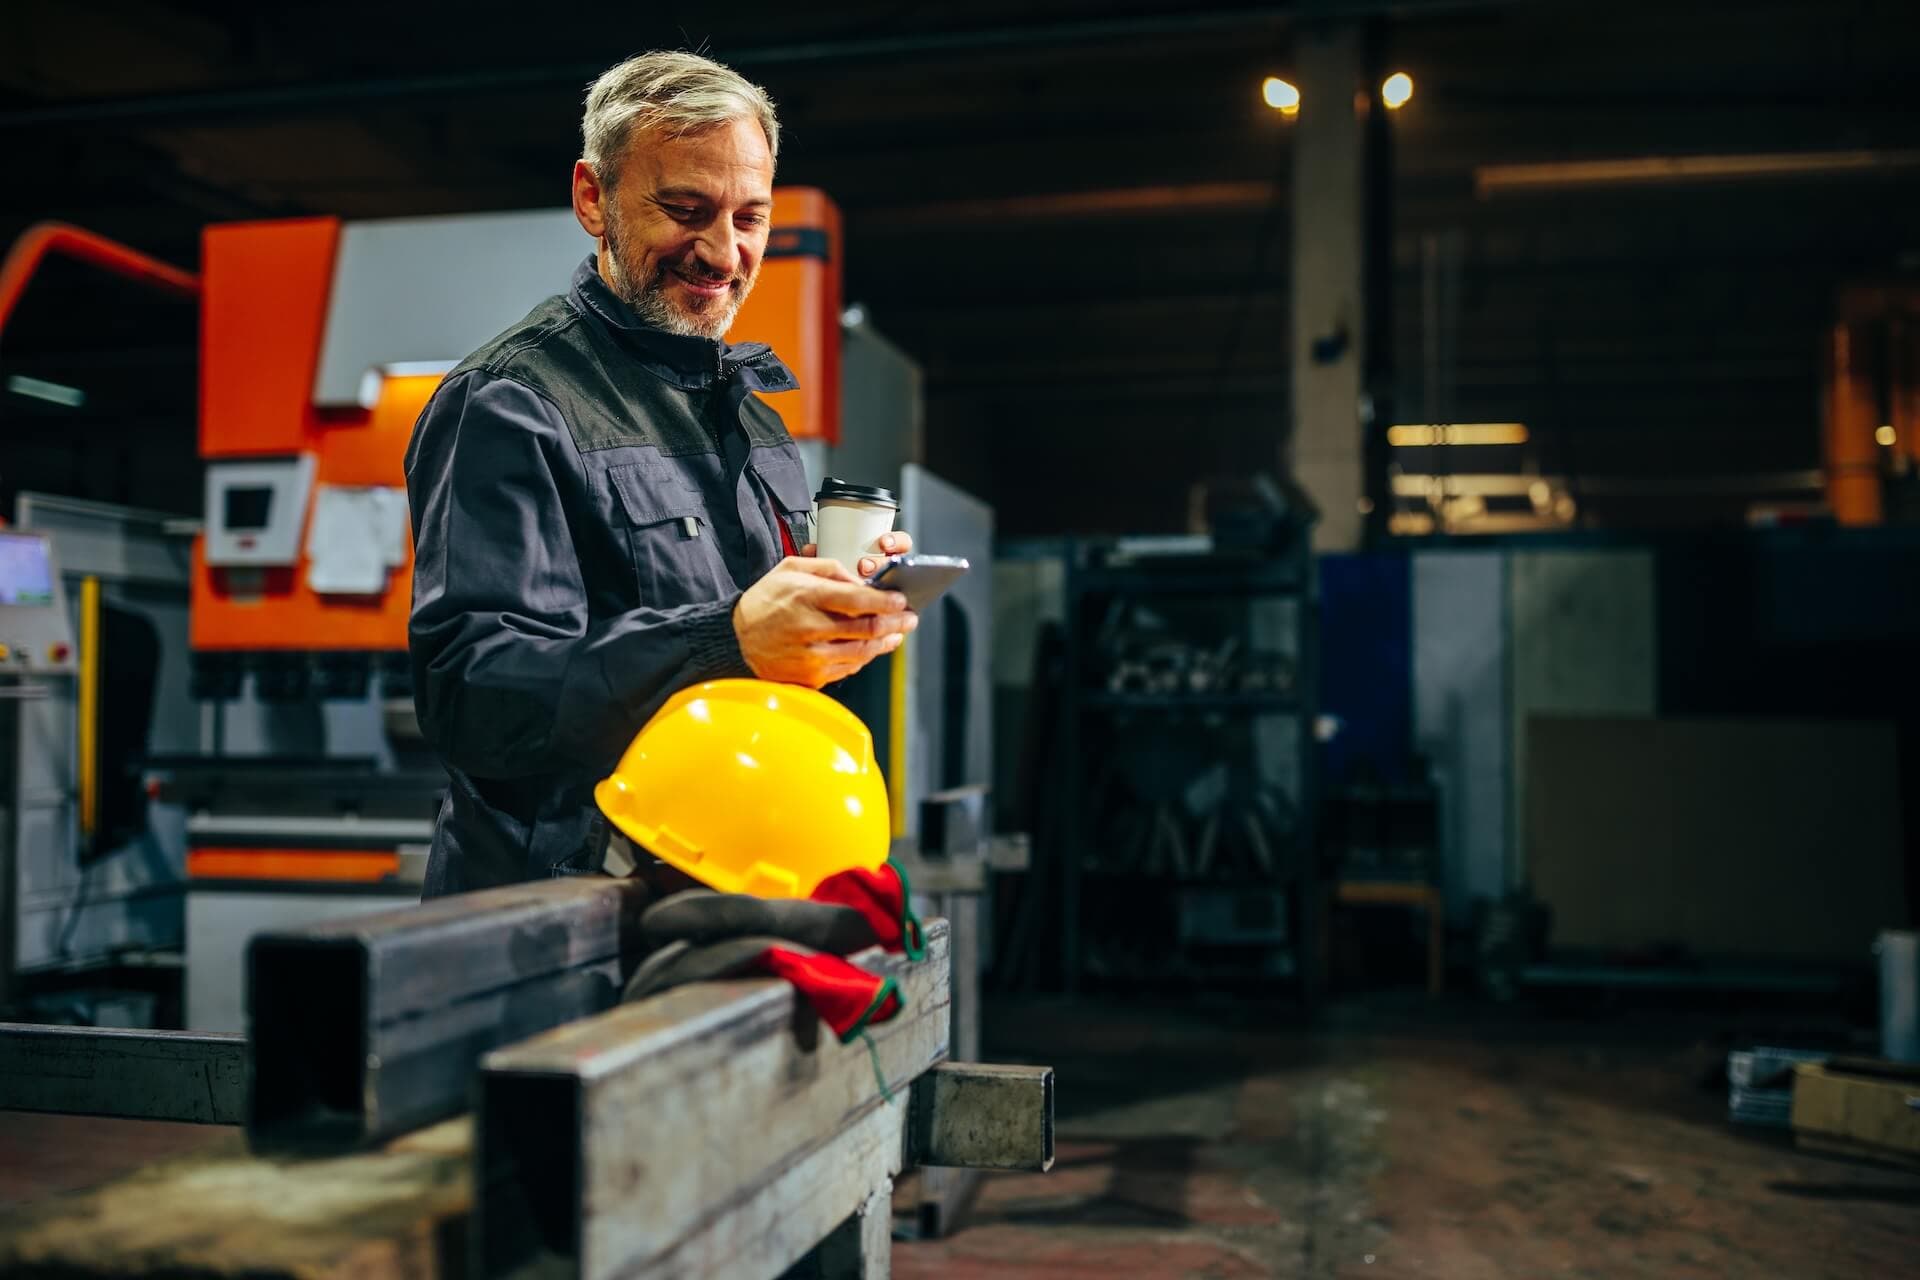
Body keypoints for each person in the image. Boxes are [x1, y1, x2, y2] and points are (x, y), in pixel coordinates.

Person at [405, 51, 915, 897]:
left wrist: (835, 617)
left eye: (751, 218)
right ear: (593, 198)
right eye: (686, 209)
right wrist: (730, 638)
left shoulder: (754, 420)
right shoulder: (511, 403)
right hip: (558, 917)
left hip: (722, 890)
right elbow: (475, 696)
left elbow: (758, 659)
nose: (723, 251)